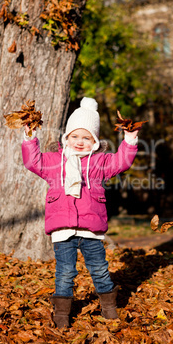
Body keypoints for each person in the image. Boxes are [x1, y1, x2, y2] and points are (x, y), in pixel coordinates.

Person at [22, 97, 139, 328]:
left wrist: (130, 141)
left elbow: (121, 163)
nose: (79, 142)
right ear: (66, 137)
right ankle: (62, 314)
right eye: (74, 136)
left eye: (86, 138)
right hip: (62, 228)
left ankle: (109, 307)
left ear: (94, 141)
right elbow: (32, 162)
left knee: (99, 269)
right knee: (65, 271)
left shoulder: (99, 162)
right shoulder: (55, 161)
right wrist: (29, 138)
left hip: (91, 228)